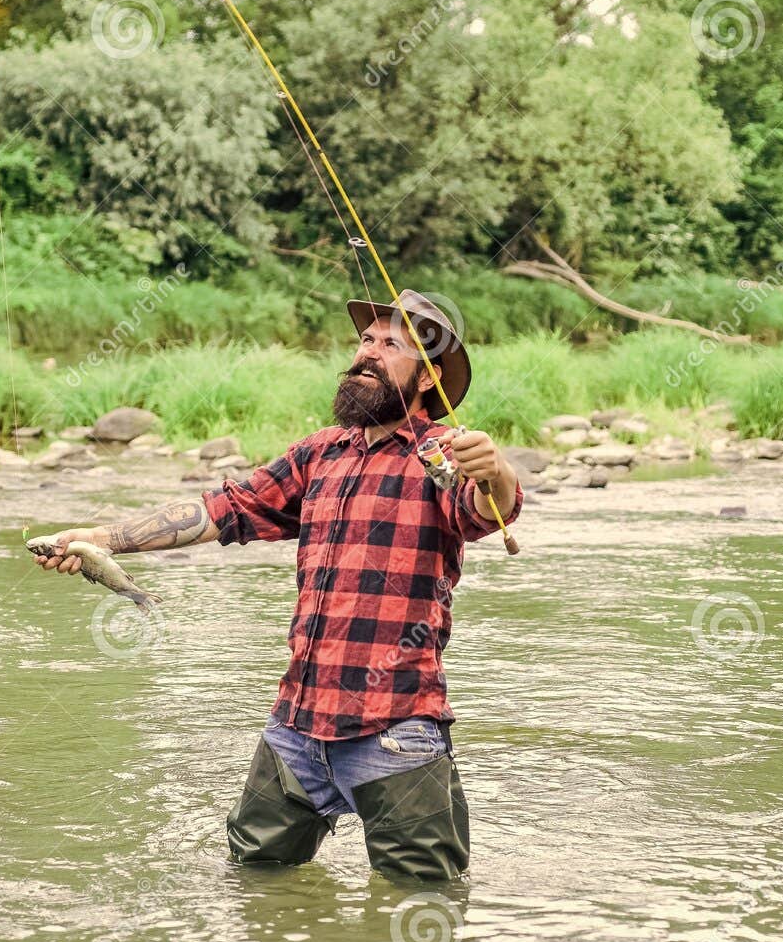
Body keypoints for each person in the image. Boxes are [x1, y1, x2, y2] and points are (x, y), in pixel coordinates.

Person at [35, 291, 521, 880]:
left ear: (429, 376)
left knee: (421, 900)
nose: (367, 353)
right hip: (295, 728)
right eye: (365, 340)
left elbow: (489, 507)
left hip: (396, 733)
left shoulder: (442, 455)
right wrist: (103, 538)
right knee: (255, 882)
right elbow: (223, 510)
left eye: (391, 345)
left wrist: (494, 468)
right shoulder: (320, 453)